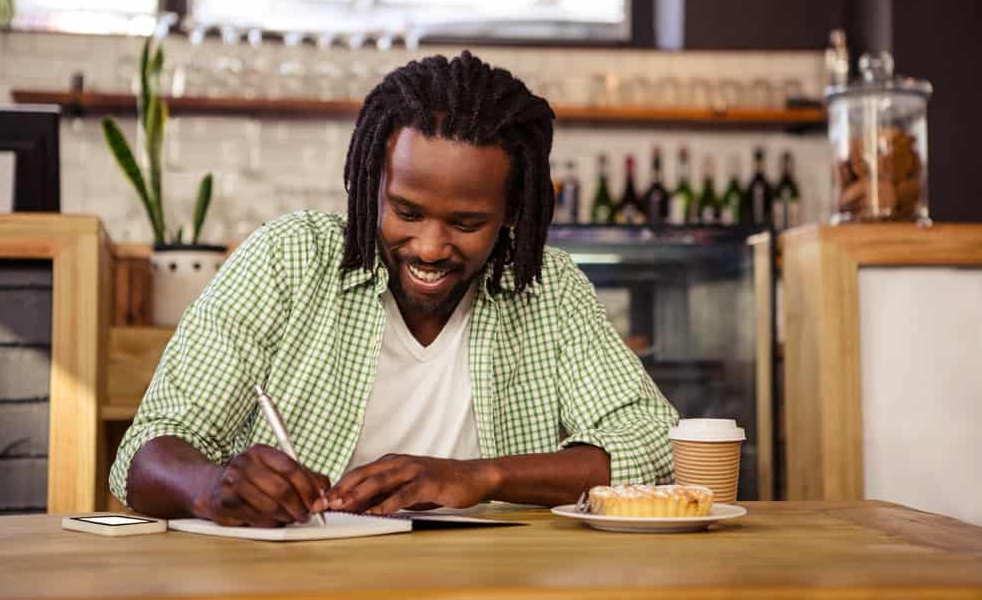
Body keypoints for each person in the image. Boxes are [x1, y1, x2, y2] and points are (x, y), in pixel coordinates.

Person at [109, 51, 678, 527]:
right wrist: (213, 486)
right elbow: (147, 452)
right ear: (370, 185)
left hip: (500, 583)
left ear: (511, 213)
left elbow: (654, 445)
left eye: (466, 223)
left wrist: (480, 475)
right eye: (406, 211)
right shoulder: (290, 258)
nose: (430, 247)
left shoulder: (545, 289)